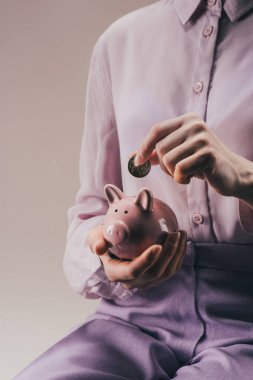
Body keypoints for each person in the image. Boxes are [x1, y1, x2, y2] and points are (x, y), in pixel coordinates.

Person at [14, 0, 253, 379]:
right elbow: (91, 209)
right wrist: (106, 259)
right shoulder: (120, 42)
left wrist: (245, 179)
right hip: (130, 319)